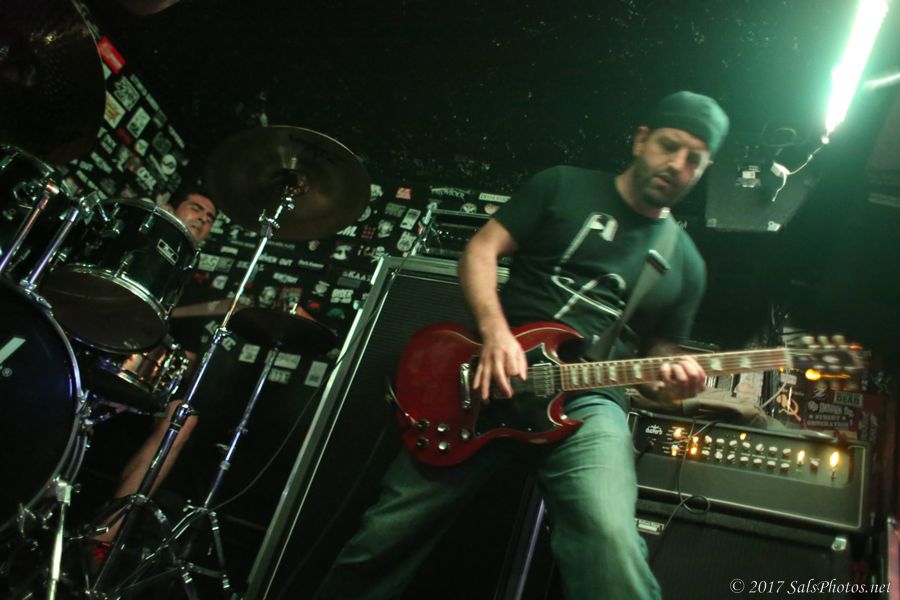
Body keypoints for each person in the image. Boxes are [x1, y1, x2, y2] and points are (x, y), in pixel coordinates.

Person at [313, 91, 730, 599]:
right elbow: (481, 250)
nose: (678, 165)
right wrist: (495, 333)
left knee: (609, 541)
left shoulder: (686, 262)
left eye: (694, 160)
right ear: (641, 139)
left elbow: (658, 362)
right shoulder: (563, 185)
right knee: (382, 540)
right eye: (669, 145)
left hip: (589, 399)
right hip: (487, 379)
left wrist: (673, 384)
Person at [88, 186, 217, 557]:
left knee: (183, 417)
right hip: (91, 355)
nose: (203, 219)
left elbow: (185, 359)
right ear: (169, 209)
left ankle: (103, 538)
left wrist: (146, 386)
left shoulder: (195, 293)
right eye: (196, 208)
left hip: (140, 383)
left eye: (210, 219)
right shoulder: (128, 252)